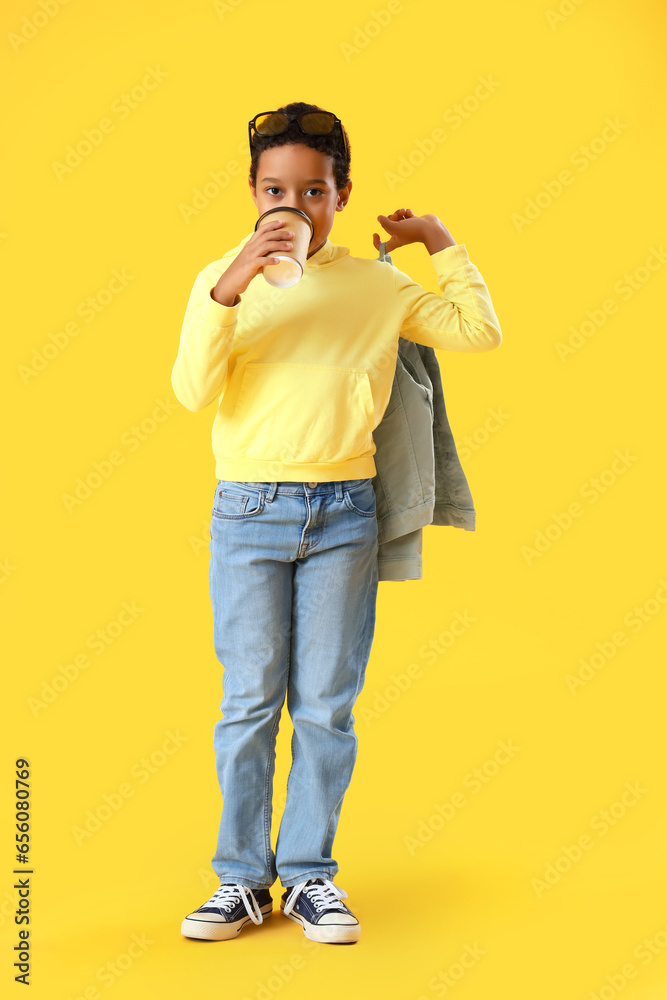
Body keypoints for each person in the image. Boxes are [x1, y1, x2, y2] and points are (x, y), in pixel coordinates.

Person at [171, 101, 502, 945]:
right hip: (246, 512)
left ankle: (310, 876)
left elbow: (476, 332)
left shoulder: (376, 285)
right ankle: (241, 880)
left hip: (344, 513)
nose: (293, 208)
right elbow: (189, 391)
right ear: (251, 191)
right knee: (247, 703)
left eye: (312, 191)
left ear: (340, 195)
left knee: (325, 706)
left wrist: (438, 238)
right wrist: (231, 283)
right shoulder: (224, 280)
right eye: (274, 190)